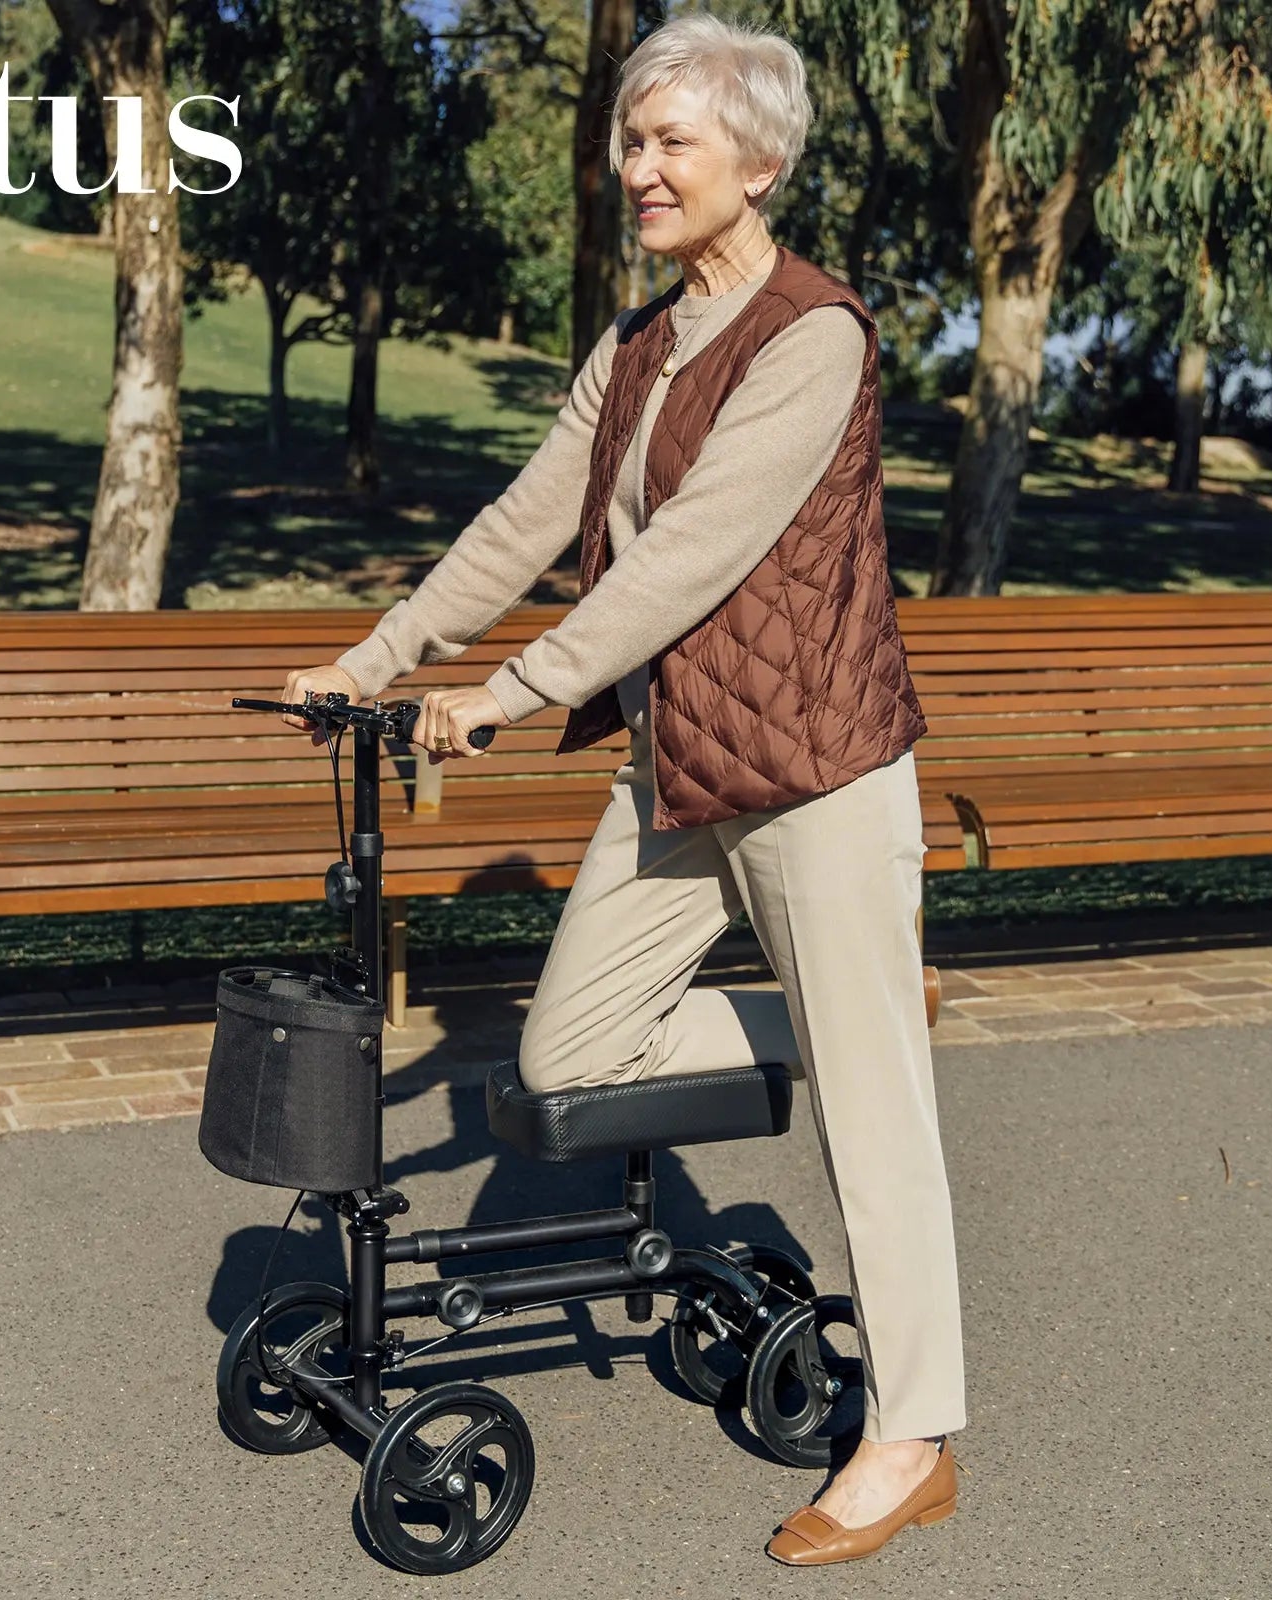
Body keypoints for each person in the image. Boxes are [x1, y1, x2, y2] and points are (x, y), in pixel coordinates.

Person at [279, 11, 964, 1566]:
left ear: (759, 160)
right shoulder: (639, 346)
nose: (637, 170)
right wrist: (378, 658)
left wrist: (510, 697)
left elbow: (685, 558)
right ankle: (848, 998)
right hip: (678, 769)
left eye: (671, 144)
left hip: (815, 775)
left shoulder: (817, 335)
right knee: (567, 1055)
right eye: (630, 144)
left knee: (875, 1121)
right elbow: (535, 518)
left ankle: (912, 1434)